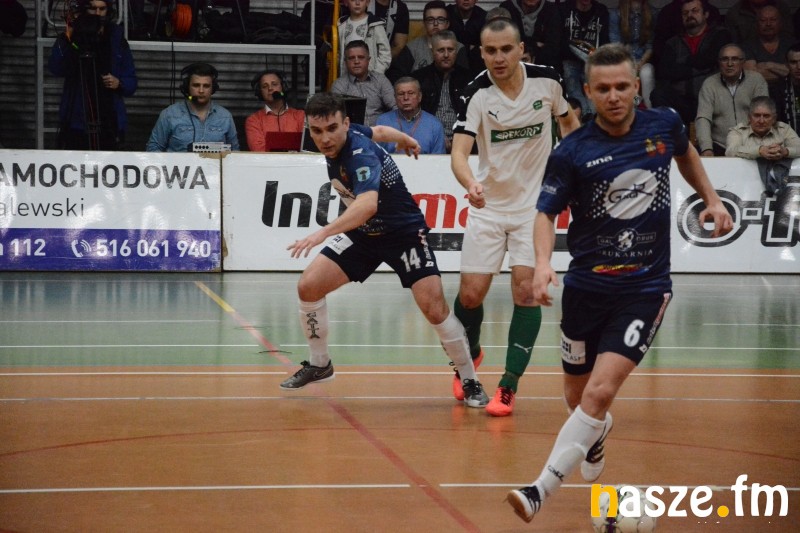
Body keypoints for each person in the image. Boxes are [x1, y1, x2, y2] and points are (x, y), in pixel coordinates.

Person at [507, 43, 733, 522]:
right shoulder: (572, 151)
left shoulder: (663, 124)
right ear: (588, 92)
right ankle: (594, 434)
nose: (614, 96)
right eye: (603, 89)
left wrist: (711, 199)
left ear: (636, 87)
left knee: (599, 393)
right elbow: (545, 213)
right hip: (587, 287)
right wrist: (543, 263)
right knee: (578, 398)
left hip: (645, 288)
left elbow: (686, 154)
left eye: (622, 87)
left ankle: (539, 489)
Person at [281, 92, 490, 408]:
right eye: (317, 131)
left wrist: (322, 233)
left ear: (345, 123)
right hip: (364, 235)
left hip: (403, 234)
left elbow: (367, 205)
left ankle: (469, 378)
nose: (324, 139)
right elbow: (379, 131)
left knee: (434, 309)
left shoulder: (359, 155)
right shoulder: (352, 132)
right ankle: (320, 364)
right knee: (308, 286)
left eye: (332, 129)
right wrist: (406, 139)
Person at [450, 18, 580, 417]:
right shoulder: (475, 93)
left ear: (521, 49)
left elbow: (569, 124)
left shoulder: (548, 81)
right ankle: (469, 356)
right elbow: (459, 153)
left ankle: (508, 385)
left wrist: (577, 168)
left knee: (526, 292)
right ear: (481, 53)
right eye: (491, 51)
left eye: (506, 49)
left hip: (535, 209)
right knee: (470, 296)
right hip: (489, 207)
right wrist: (470, 183)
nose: (499, 57)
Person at [48, 0, 137, 150]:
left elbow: (131, 82)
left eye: (102, 9)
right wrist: (67, 36)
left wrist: (119, 83)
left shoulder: (116, 38)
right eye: (93, 8)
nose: (97, 13)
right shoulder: (73, 36)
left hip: (109, 122)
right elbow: (55, 68)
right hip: (76, 123)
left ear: (108, 10)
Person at [650, 0, 731, 128]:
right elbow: (665, 71)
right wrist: (702, 66)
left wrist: (683, 64)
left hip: (711, 98)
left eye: (695, 11)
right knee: (658, 94)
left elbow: (711, 59)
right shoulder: (672, 43)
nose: (690, 15)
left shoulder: (720, 35)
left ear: (706, 14)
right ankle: (673, 135)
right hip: (682, 100)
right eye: (685, 13)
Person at [146, 62, 239, 152]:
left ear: (213, 88)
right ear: (187, 87)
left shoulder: (225, 116)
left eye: (206, 86)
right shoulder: (169, 114)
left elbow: (235, 152)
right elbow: (153, 149)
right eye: (196, 85)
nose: (201, 90)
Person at [695, 44, 768, 156]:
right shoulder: (709, 84)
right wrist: (706, 148)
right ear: (719, 62)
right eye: (725, 59)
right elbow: (703, 118)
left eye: (735, 59)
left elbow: (764, 116)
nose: (730, 64)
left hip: (752, 146)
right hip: (719, 146)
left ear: (743, 62)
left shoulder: (756, 80)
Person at [411, 30, 472, 153]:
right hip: (427, 138)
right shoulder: (418, 78)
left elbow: (474, 115)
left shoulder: (469, 78)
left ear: (456, 51)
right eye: (441, 50)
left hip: (463, 138)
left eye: (450, 50)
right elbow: (413, 114)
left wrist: (461, 137)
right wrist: (437, 136)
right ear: (432, 51)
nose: (446, 55)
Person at [559, 0, 610, 115]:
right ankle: (585, 114)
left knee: (593, 86)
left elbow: (605, 42)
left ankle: (592, 114)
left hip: (593, 60)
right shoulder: (564, 9)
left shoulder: (601, 11)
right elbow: (559, 41)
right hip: (570, 58)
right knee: (570, 75)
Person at [331, 40, 396, 126]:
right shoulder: (339, 85)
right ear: (345, 62)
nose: (356, 62)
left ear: (368, 60)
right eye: (351, 58)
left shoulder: (381, 80)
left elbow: (395, 107)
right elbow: (336, 116)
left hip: (381, 130)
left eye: (361, 57)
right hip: (352, 131)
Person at [375, 77, 446, 154]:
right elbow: (376, 156)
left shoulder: (434, 125)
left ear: (419, 96)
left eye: (411, 93)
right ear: (395, 98)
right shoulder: (383, 121)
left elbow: (439, 159)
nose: (406, 98)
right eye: (401, 94)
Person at [609, 0, 657, 108]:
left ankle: (650, 110)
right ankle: (634, 107)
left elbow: (650, 45)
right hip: (624, 59)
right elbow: (616, 45)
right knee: (624, 74)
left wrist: (640, 63)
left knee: (647, 72)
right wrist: (630, 64)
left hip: (644, 60)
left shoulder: (652, 13)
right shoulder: (616, 14)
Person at [245, 70, 305, 152]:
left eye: (274, 84)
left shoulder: (300, 116)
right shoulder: (253, 120)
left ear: (283, 87)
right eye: (265, 86)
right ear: (260, 92)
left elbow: (305, 147)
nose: (270, 88)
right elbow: (259, 151)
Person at [741, 5, 793, 100]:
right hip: (758, 97)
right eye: (763, 20)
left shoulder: (791, 44)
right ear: (757, 23)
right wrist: (786, 71)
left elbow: (796, 71)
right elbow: (751, 75)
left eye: (773, 20)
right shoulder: (747, 46)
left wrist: (768, 65)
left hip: (790, 95)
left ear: (780, 23)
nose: (768, 24)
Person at [726, 95, 800, 159]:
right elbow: (730, 151)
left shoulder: (784, 130)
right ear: (749, 117)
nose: (761, 121)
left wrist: (785, 151)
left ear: (774, 119)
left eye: (766, 116)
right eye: (757, 115)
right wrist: (759, 151)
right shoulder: (738, 131)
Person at [498, 0, 562, 72]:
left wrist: (521, 42)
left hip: (544, 67)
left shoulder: (551, 10)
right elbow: (504, 41)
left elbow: (553, 49)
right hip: (513, 67)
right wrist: (535, 44)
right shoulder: (507, 8)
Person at [338, 0, 392, 75]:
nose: (357, 3)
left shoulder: (375, 24)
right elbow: (339, 51)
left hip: (370, 75)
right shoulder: (341, 25)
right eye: (353, 0)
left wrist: (376, 74)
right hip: (347, 76)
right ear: (346, 2)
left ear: (367, 2)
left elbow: (385, 53)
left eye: (361, 0)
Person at [725, 0, 794, 44]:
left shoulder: (782, 8)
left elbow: (788, 37)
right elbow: (733, 45)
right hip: (746, 57)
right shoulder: (734, 13)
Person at [777, 43, 800, 130]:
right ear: (786, 64)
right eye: (793, 62)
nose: (799, 67)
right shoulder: (779, 88)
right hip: (788, 135)